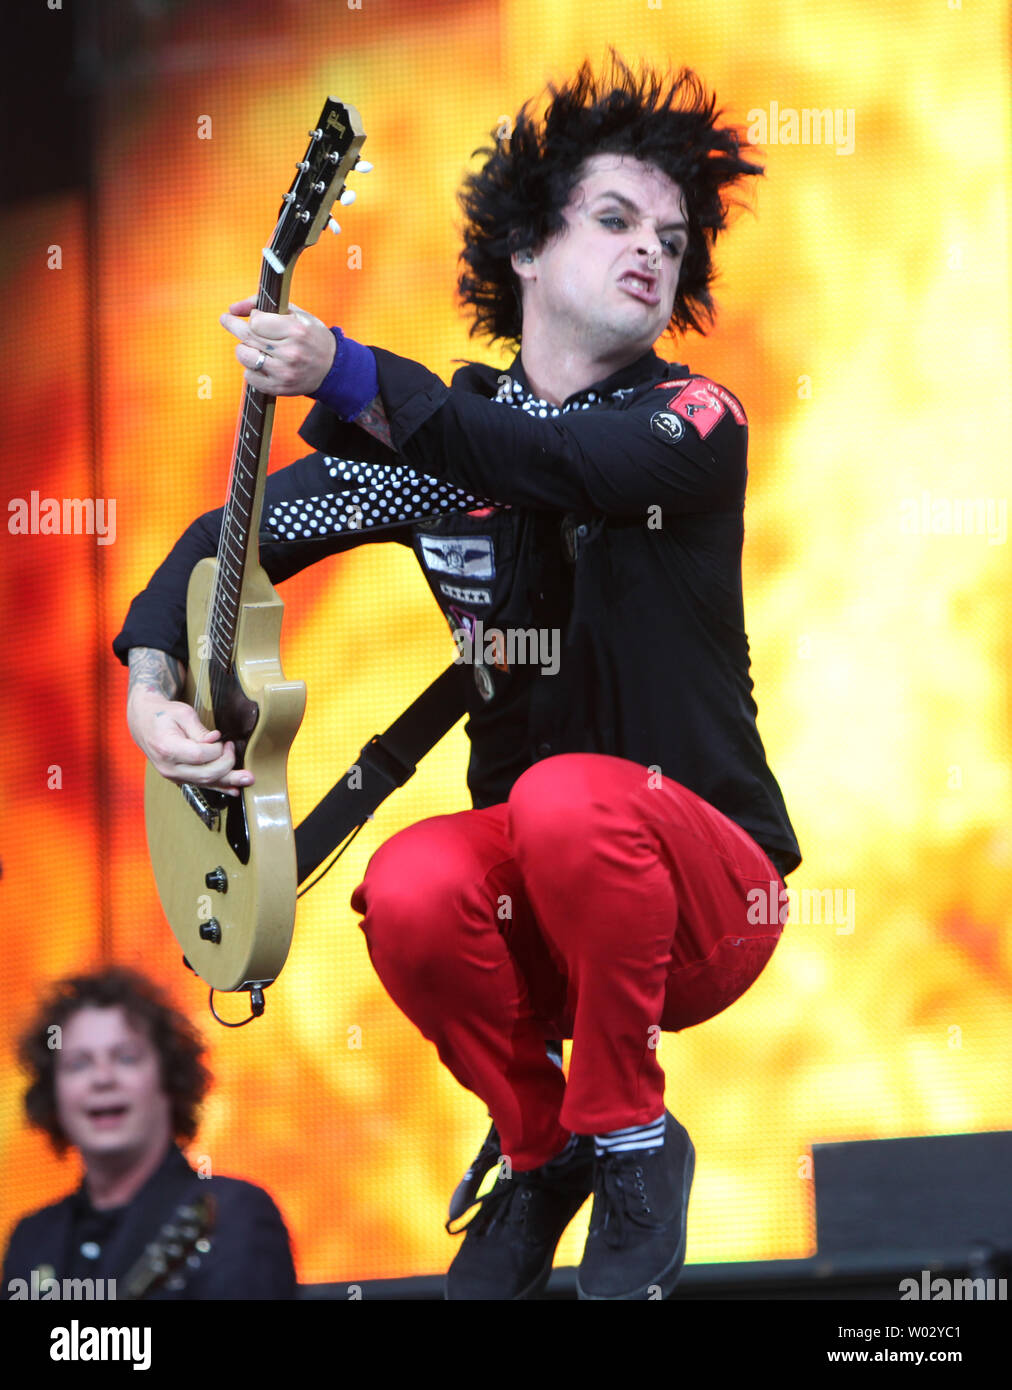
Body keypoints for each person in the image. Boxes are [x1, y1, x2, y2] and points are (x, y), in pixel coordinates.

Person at [114, 58, 801, 1301]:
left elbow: (559, 461)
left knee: (561, 796)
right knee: (414, 881)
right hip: (545, 913)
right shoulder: (447, 450)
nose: (652, 250)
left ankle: (632, 1136)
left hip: (707, 902)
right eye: (613, 219)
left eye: (671, 238)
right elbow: (240, 531)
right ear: (528, 249)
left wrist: (352, 372)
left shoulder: (692, 422)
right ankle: (543, 1155)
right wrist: (149, 680)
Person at [3, 967, 296, 1300]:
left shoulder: (233, 1213)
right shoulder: (33, 1239)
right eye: (78, 1064)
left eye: (126, 1058)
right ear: (53, 1093)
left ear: (169, 1080)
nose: (102, 1078)